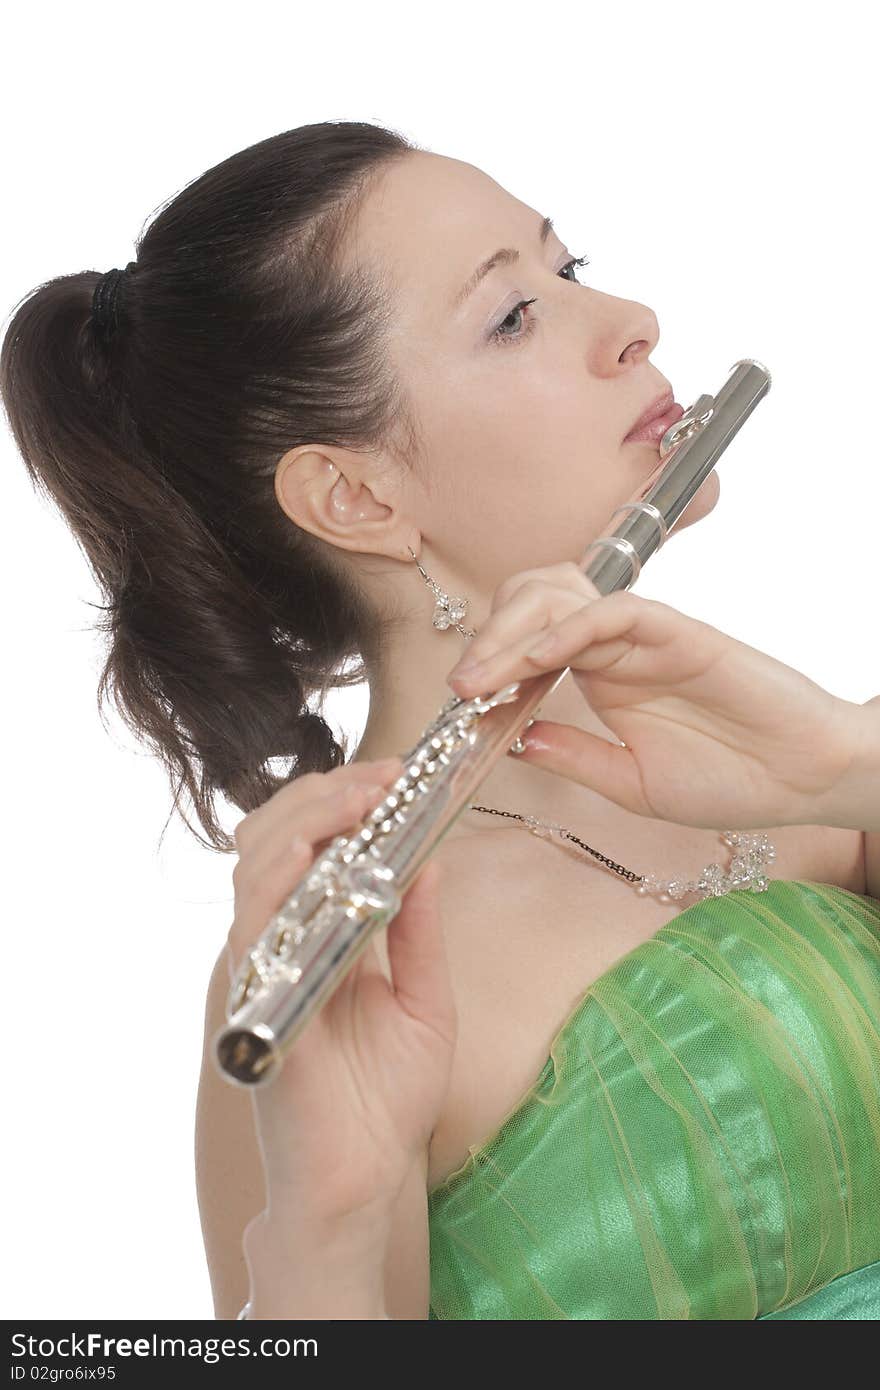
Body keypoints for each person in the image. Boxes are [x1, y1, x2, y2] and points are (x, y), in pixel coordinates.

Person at [2, 121, 878, 1321]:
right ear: (355, 495)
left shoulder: (805, 758)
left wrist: (846, 766)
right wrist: (332, 1224)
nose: (631, 321)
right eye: (513, 315)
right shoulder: (335, 973)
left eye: (564, 270)